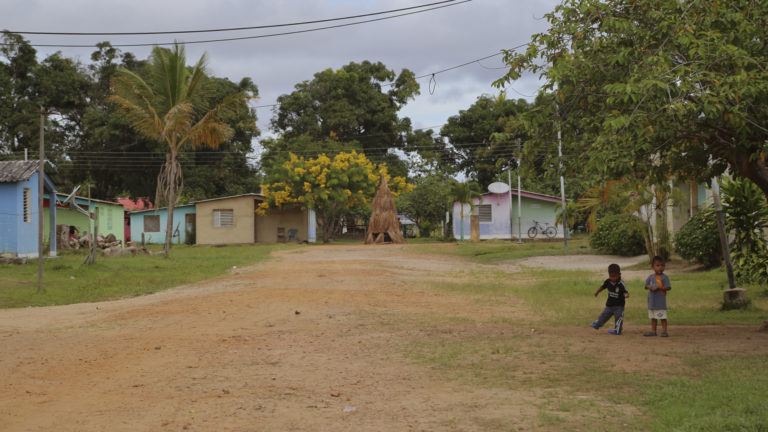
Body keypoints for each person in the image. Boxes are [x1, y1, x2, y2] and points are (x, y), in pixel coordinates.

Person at [590, 263, 629, 335]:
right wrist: (597, 292)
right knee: (604, 315)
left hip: (619, 306)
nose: (613, 278)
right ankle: (597, 324)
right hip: (610, 305)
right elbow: (602, 286)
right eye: (611, 276)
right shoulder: (608, 281)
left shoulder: (621, 284)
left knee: (618, 318)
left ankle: (617, 330)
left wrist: (626, 295)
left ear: (619, 274)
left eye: (615, 276)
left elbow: (626, 291)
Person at [644, 256, 671, 337]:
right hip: (652, 302)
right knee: (653, 318)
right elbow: (646, 286)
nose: (660, 267)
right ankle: (653, 331)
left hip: (660, 302)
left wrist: (659, 287)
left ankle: (664, 331)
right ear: (653, 267)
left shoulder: (664, 277)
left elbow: (668, 287)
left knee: (662, 317)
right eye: (658, 265)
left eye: (662, 265)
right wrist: (650, 287)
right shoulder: (651, 277)